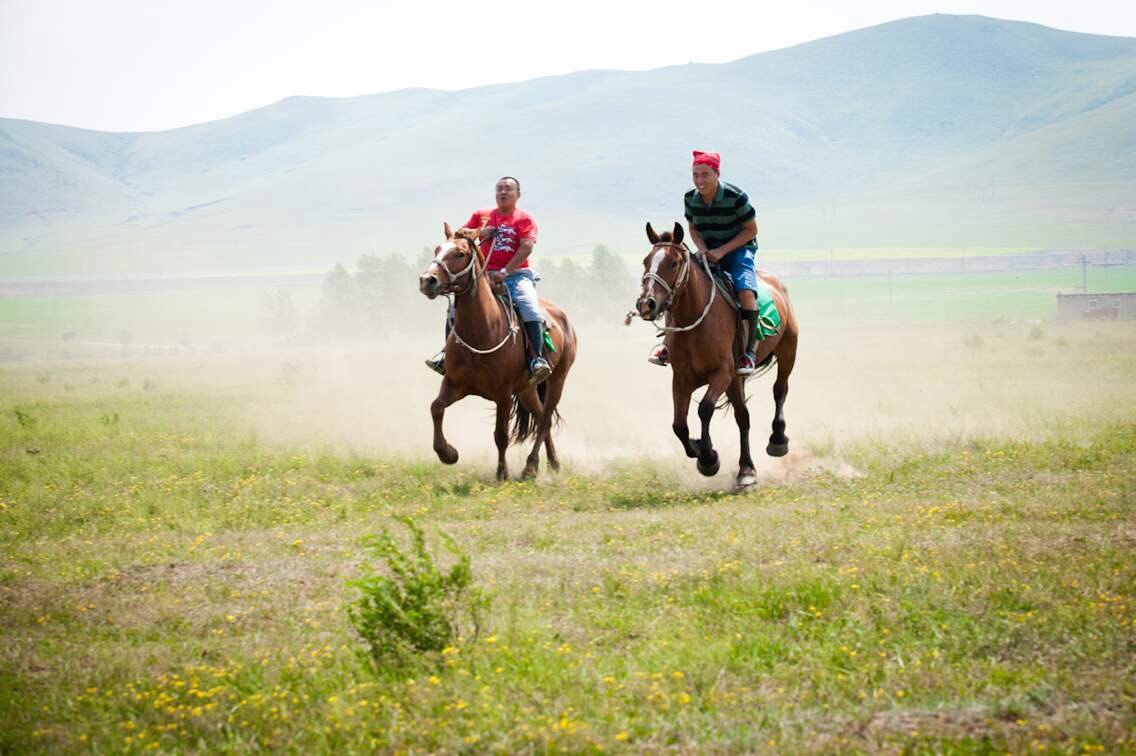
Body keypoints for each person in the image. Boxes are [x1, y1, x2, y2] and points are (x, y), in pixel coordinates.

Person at [425, 176, 552, 383]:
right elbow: (460, 236)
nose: (503, 192)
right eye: (499, 189)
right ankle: (446, 355)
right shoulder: (482, 215)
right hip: (482, 275)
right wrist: (481, 232)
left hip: (516, 275)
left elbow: (527, 246)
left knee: (529, 307)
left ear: (517, 195)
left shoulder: (524, 219)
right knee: (455, 308)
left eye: (508, 189)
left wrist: (505, 271)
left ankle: (536, 359)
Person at [650, 150, 762, 375]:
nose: (699, 181)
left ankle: (748, 353)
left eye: (705, 175)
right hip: (707, 249)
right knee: (679, 285)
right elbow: (692, 227)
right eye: (695, 175)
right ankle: (668, 344)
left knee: (746, 293)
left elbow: (751, 230)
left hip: (739, 250)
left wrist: (722, 251)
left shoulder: (736, 197)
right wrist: (702, 249)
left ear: (717, 174)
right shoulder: (690, 198)